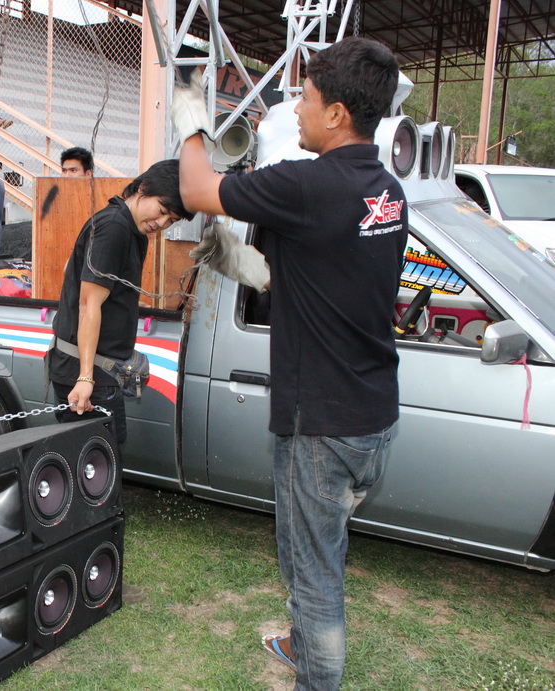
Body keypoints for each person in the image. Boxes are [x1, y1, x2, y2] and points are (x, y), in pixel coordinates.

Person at [173, 37, 407, 690]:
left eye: (304, 98)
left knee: (314, 573)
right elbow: (322, 278)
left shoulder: (308, 184)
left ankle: (315, 670)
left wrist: (189, 112)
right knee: (315, 551)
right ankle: (301, 642)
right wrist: (242, 264)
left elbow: (195, 187)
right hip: (371, 416)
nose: (295, 110)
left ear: (336, 113)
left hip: (321, 425)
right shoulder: (386, 192)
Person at [47, 159, 193, 448]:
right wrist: (85, 379)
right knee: (100, 461)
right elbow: (88, 305)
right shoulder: (114, 227)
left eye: (172, 221)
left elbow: (71, 268)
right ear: (143, 187)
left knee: (95, 460)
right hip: (89, 373)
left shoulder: (129, 228)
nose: (161, 223)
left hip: (98, 368)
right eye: (162, 210)